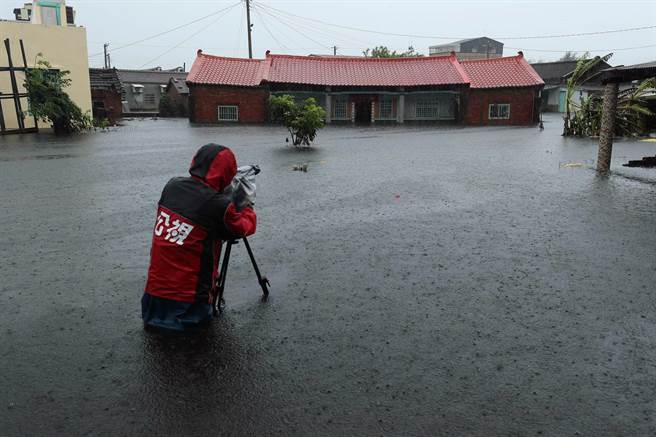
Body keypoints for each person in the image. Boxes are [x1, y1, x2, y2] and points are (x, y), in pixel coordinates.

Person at [141, 144, 257, 331]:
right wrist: (247, 204)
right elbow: (243, 228)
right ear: (227, 174)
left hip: (152, 300)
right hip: (188, 305)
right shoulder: (218, 205)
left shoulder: (172, 186)